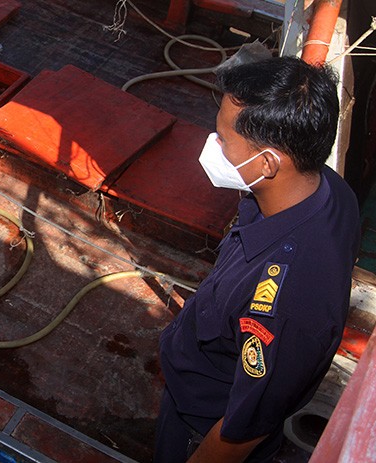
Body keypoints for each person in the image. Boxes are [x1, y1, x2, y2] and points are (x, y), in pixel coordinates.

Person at [154, 56, 360, 462]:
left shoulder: (285, 305)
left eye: (224, 139)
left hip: (201, 429)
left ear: (266, 163)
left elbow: (242, 431)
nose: (214, 146)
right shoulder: (328, 189)